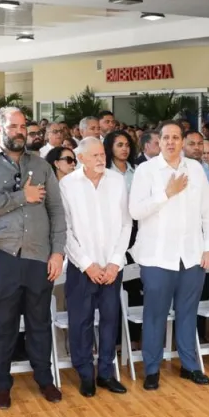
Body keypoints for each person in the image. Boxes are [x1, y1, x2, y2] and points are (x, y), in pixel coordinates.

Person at [0, 107, 66, 408]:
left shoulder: (40, 165)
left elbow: (57, 211)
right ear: (0, 129)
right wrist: (21, 197)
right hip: (3, 257)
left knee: (39, 321)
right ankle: (2, 383)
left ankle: (45, 379)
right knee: (4, 324)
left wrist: (58, 252)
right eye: (13, 126)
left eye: (23, 126)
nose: (20, 131)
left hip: (38, 256)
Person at [128, 121, 209, 391]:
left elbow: (208, 212)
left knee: (187, 313)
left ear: (182, 141)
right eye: (165, 137)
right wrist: (166, 194)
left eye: (175, 137)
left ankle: (190, 366)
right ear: (158, 142)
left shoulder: (197, 170)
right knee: (155, 314)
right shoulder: (146, 170)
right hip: (157, 256)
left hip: (191, 255)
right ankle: (152, 369)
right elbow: (135, 211)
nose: (170, 142)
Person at [60, 137, 131, 398]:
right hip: (83, 267)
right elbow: (65, 230)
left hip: (112, 265)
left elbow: (126, 224)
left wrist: (114, 261)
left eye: (102, 154)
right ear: (80, 159)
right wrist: (87, 264)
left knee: (110, 320)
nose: (101, 159)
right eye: (95, 155)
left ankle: (105, 373)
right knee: (81, 322)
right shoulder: (67, 184)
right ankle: (85, 374)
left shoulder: (117, 181)